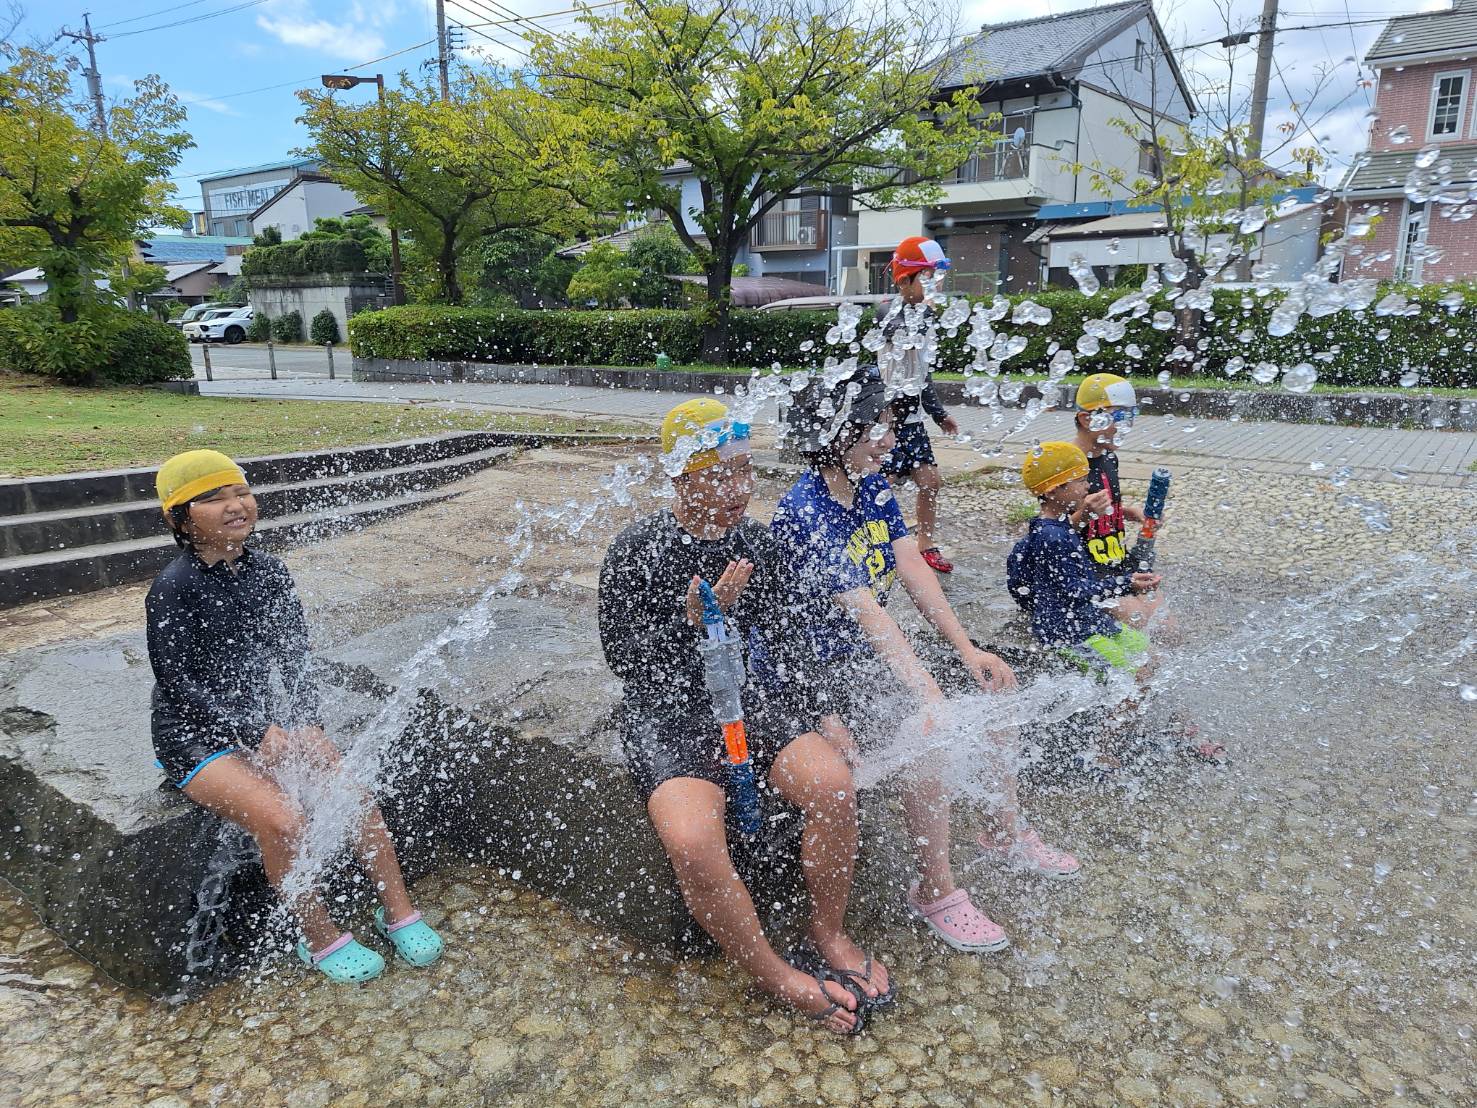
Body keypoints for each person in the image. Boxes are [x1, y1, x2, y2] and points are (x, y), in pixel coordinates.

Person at [597, 400, 889, 1037]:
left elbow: (788, 639)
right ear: (682, 478)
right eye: (721, 476)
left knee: (833, 787)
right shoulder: (637, 550)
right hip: (669, 715)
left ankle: (827, 929)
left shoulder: (758, 545)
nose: (740, 490)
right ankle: (775, 974)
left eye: (746, 472)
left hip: (752, 705)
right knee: (693, 842)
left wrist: (825, 713)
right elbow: (625, 661)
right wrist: (693, 624)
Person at [773, 370, 1081, 957]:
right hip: (815, 672)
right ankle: (934, 887)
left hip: (863, 657)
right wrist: (927, 695)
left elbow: (912, 567)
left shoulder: (870, 487)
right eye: (878, 428)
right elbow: (869, 613)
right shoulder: (804, 511)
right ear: (839, 432)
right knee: (929, 732)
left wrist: (969, 652)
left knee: (996, 691)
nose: (889, 438)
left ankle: (1003, 828)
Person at [146, 450, 443, 984]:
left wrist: (306, 721)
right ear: (180, 518)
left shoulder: (270, 573)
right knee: (283, 818)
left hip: (269, 723)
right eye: (213, 499)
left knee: (354, 795)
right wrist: (251, 731)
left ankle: (397, 911)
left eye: (240, 492)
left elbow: (295, 656)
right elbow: (177, 684)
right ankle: (318, 937)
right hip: (195, 737)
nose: (235, 506)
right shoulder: (173, 587)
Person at [1005, 442, 1225, 764]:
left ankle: (1168, 727)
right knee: (1141, 670)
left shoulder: (1054, 529)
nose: (1087, 486)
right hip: (1069, 633)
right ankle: (1103, 748)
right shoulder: (1052, 537)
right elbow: (1077, 591)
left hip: (1086, 622)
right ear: (1055, 490)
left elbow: (1020, 578)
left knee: (1153, 657)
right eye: (1079, 481)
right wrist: (1126, 583)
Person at [878, 235, 961, 575]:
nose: (935, 285)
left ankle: (925, 543)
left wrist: (939, 414)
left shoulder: (923, 315)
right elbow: (901, 343)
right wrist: (924, 316)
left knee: (930, 481)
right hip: (886, 422)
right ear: (903, 280)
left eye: (936, 278)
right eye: (927, 278)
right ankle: (878, 540)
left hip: (911, 421)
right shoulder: (888, 311)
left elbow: (921, 375)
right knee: (879, 486)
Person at [1070, 373, 1164, 630]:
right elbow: (1050, 530)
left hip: (1117, 566)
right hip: (1087, 577)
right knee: (1141, 620)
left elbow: (1105, 509)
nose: (1126, 426)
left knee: (1166, 624)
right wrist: (1084, 517)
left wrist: (1128, 513)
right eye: (1119, 416)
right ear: (1087, 418)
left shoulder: (1108, 458)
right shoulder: (1067, 465)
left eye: (1130, 416)